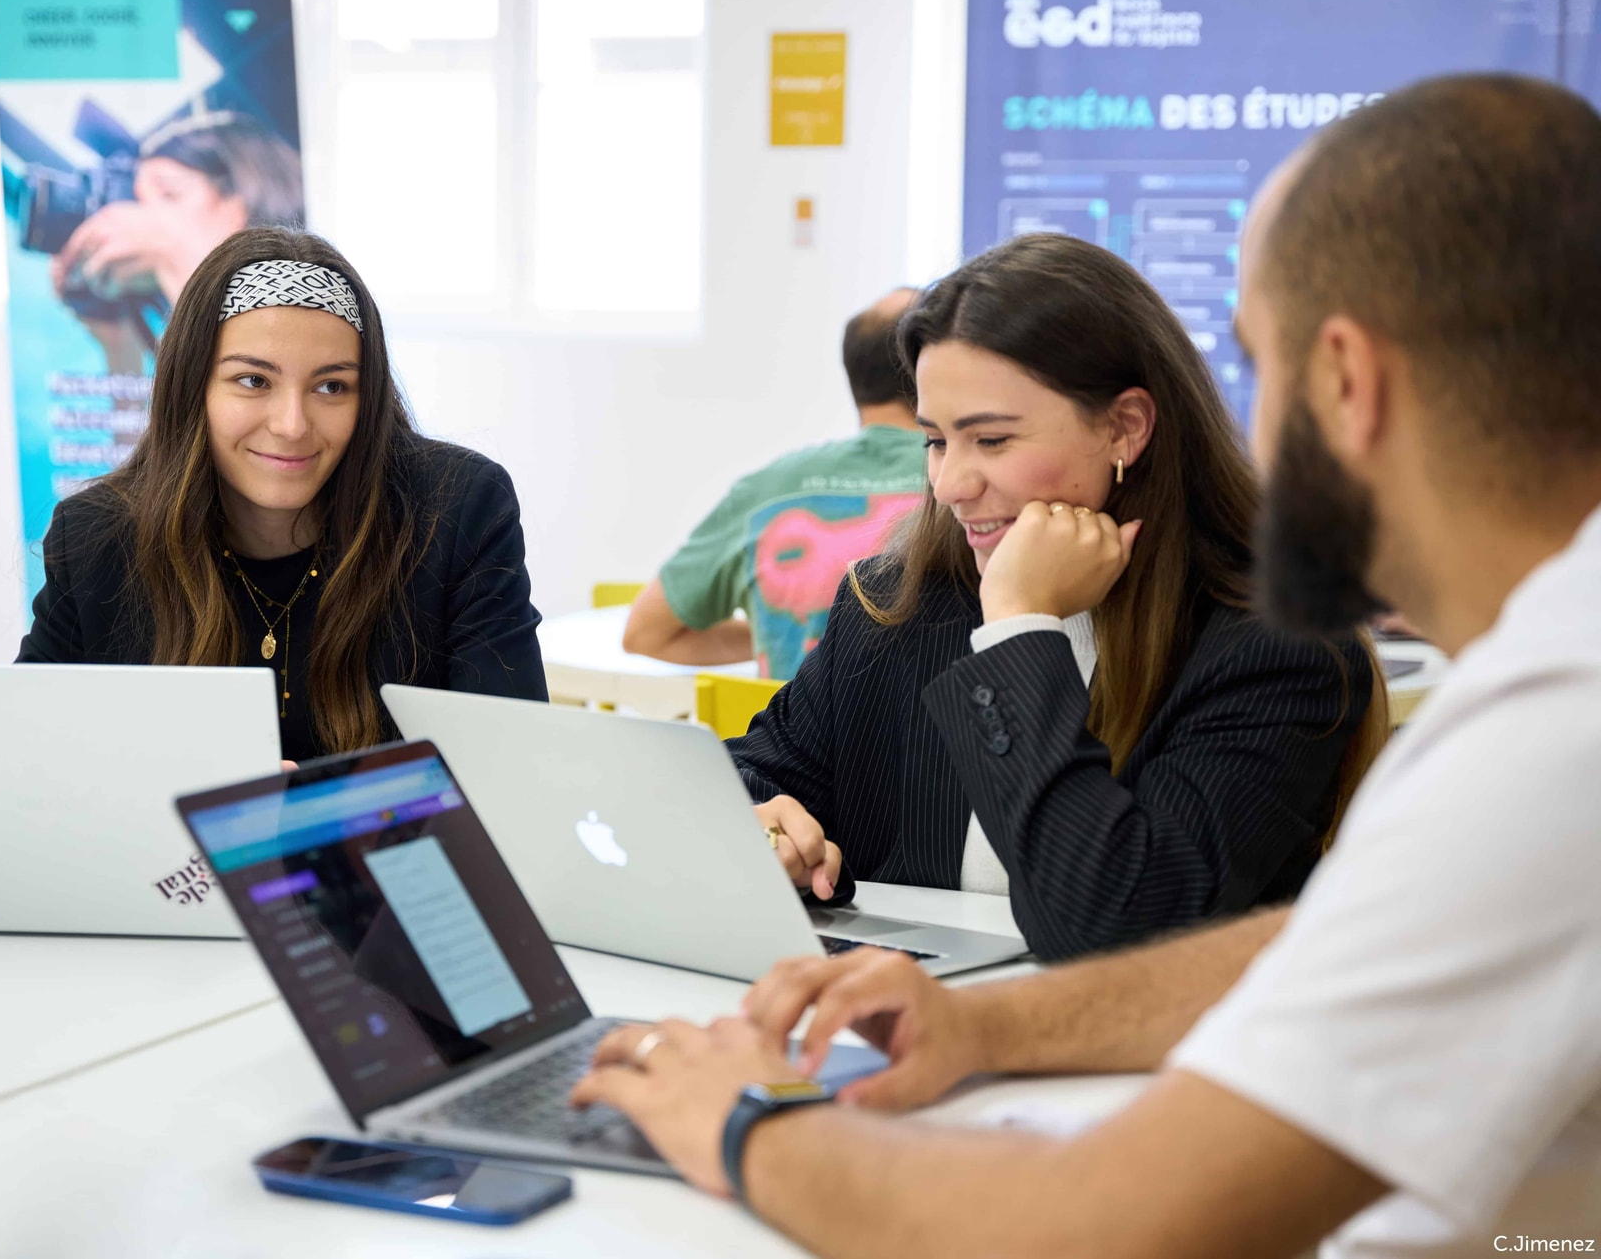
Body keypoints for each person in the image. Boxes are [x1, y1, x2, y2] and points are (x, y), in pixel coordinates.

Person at [570, 73, 1601, 1257]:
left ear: (1347, 383)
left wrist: (744, 1124)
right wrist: (992, 1030)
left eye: (1261, 370)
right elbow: (1329, 945)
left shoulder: (1549, 731)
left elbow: (1094, 1224)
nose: (954, 481)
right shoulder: (1552, 685)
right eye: (939, 441)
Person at [734, 232, 1385, 961]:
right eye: (937, 441)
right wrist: (765, 824)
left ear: (1125, 428)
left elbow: (1114, 922)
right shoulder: (897, 606)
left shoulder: (1274, 647)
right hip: (908, 1033)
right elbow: (750, 770)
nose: (949, 484)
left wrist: (1018, 629)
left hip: (1135, 1063)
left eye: (992, 440)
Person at [18, 225, 548, 761]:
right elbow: (26, 759)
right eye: (253, 381)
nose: (292, 424)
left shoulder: (457, 510)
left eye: (332, 386)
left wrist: (305, 811)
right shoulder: (96, 537)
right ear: (191, 384)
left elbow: (511, 766)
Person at [623, 288, 928, 678]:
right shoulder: (976, 487)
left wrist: (781, 635)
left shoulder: (763, 491)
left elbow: (646, 634)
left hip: (786, 737)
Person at [52, 111, 307, 381]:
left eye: (170, 195)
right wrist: (121, 350)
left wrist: (172, 252)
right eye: (139, 202)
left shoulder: (311, 318)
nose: (145, 217)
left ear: (238, 204)